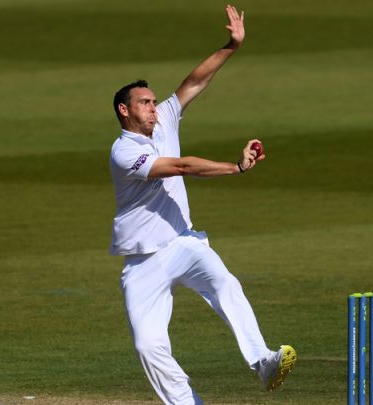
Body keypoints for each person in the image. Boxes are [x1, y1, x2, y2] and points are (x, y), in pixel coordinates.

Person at [108, 5, 296, 404]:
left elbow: (196, 80)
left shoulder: (165, 118)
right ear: (125, 110)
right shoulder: (123, 152)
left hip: (183, 243)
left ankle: (264, 361)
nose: (154, 107)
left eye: (154, 101)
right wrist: (234, 167)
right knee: (147, 346)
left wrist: (232, 45)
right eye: (145, 103)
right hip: (142, 262)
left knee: (224, 282)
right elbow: (180, 166)